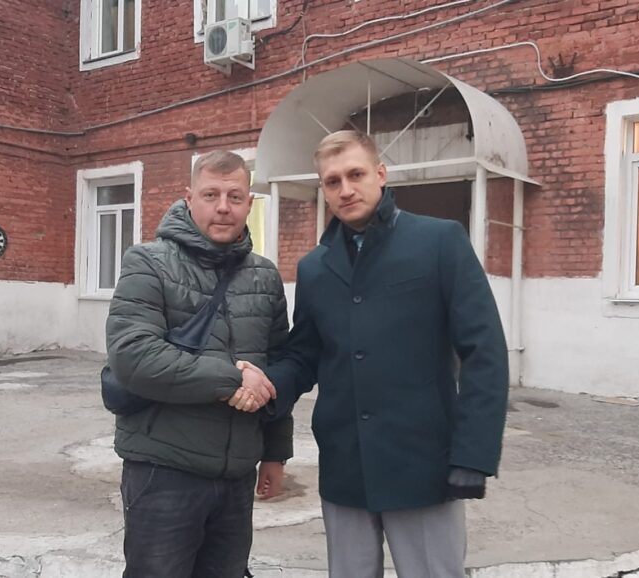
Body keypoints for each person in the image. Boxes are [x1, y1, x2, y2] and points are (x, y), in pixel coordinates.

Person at [233, 130, 509, 577]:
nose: (345, 189)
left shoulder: (439, 242)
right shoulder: (315, 268)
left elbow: (485, 351)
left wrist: (473, 454)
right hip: (345, 465)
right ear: (323, 189)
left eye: (356, 174)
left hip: (423, 464)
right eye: (333, 181)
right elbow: (304, 356)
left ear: (380, 174)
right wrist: (265, 385)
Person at [105, 150, 293, 578]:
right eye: (211, 194)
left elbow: (276, 368)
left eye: (235, 196)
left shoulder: (265, 277)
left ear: (249, 202)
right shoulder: (147, 262)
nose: (223, 207)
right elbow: (134, 355)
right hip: (164, 472)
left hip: (236, 477)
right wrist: (232, 380)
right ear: (189, 198)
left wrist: (276, 453)